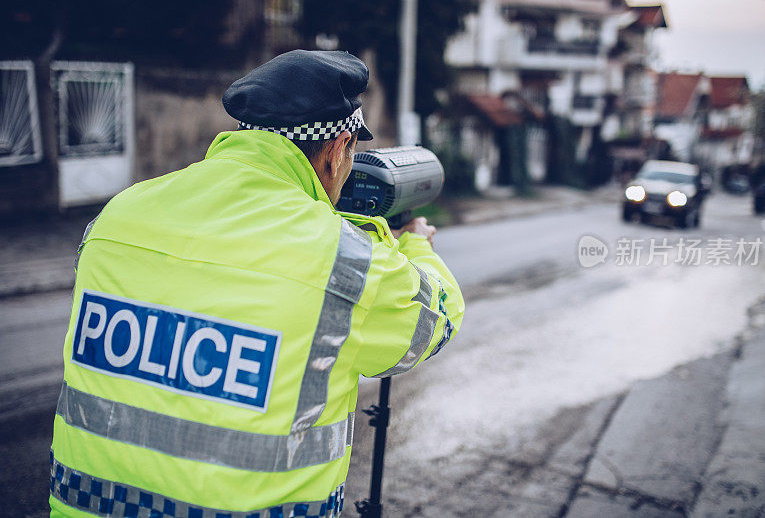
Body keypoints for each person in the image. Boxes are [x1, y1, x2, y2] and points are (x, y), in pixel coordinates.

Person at [49, 50, 464, 517]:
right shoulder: (346, 258)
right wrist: (414, 245)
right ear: (335, 151)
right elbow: (433, 321)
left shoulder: (118, 214)